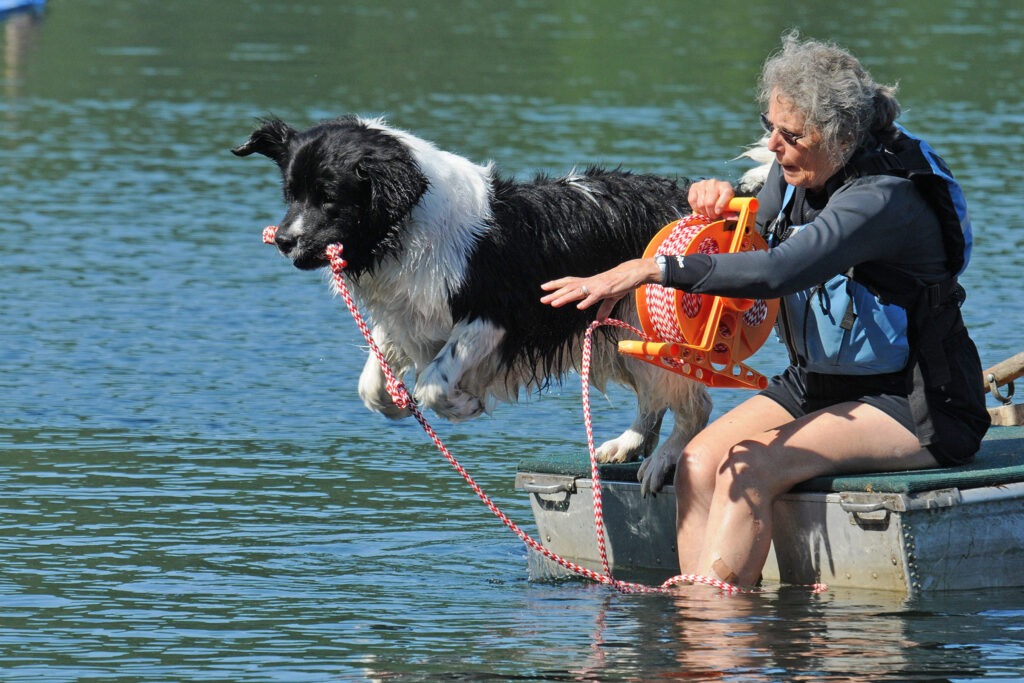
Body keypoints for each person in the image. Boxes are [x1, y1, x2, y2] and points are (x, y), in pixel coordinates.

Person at [539, 31, 990, 588]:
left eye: (790, 135)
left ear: (839, 135)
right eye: (768, 126)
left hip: (915, 401)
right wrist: (716, 204)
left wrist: (651, 269)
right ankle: (706, 649)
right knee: (700, 464)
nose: (772, 147)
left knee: (750, 470)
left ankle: (716, 624)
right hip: (819, 383)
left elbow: (779, 272)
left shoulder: (882, 199)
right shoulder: (797, 169)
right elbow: (748, 232)